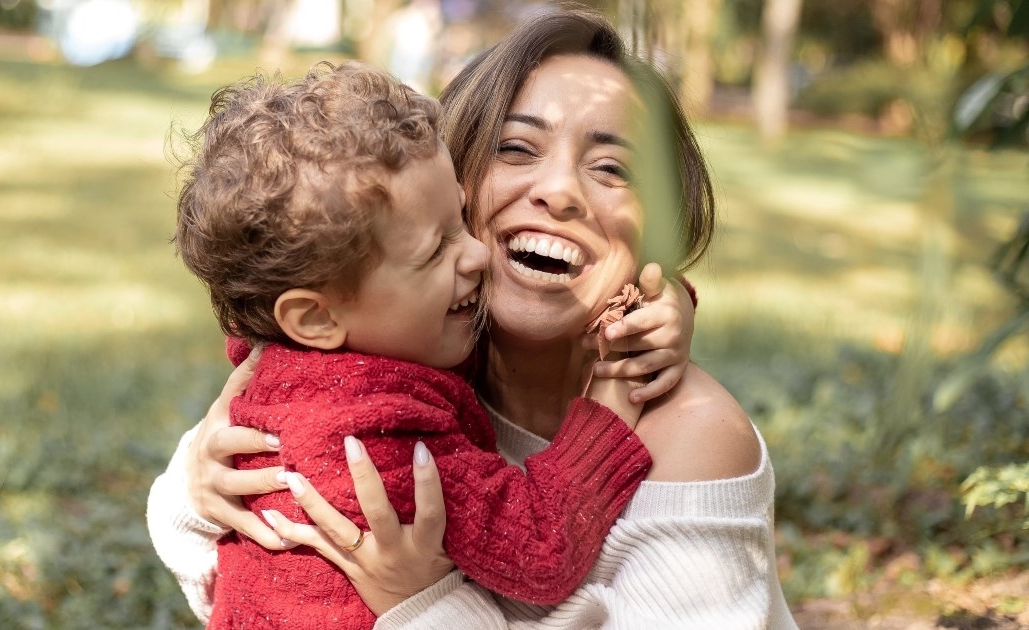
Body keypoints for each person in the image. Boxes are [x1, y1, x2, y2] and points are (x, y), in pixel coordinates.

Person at [149, 4, 798, 628]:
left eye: (611, 166)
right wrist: (196, 495)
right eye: (517, 148)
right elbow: (217, 550)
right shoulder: (386, 386)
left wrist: (422, 605)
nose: (559, 191)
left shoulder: (697, 439)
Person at [170, 61, 658, 629]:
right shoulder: (380, 436)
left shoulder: (296, 367)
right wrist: (610, 400)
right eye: (435, 251)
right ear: (314, 316)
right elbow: (541, 548)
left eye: (460, 218)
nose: (474, 254)